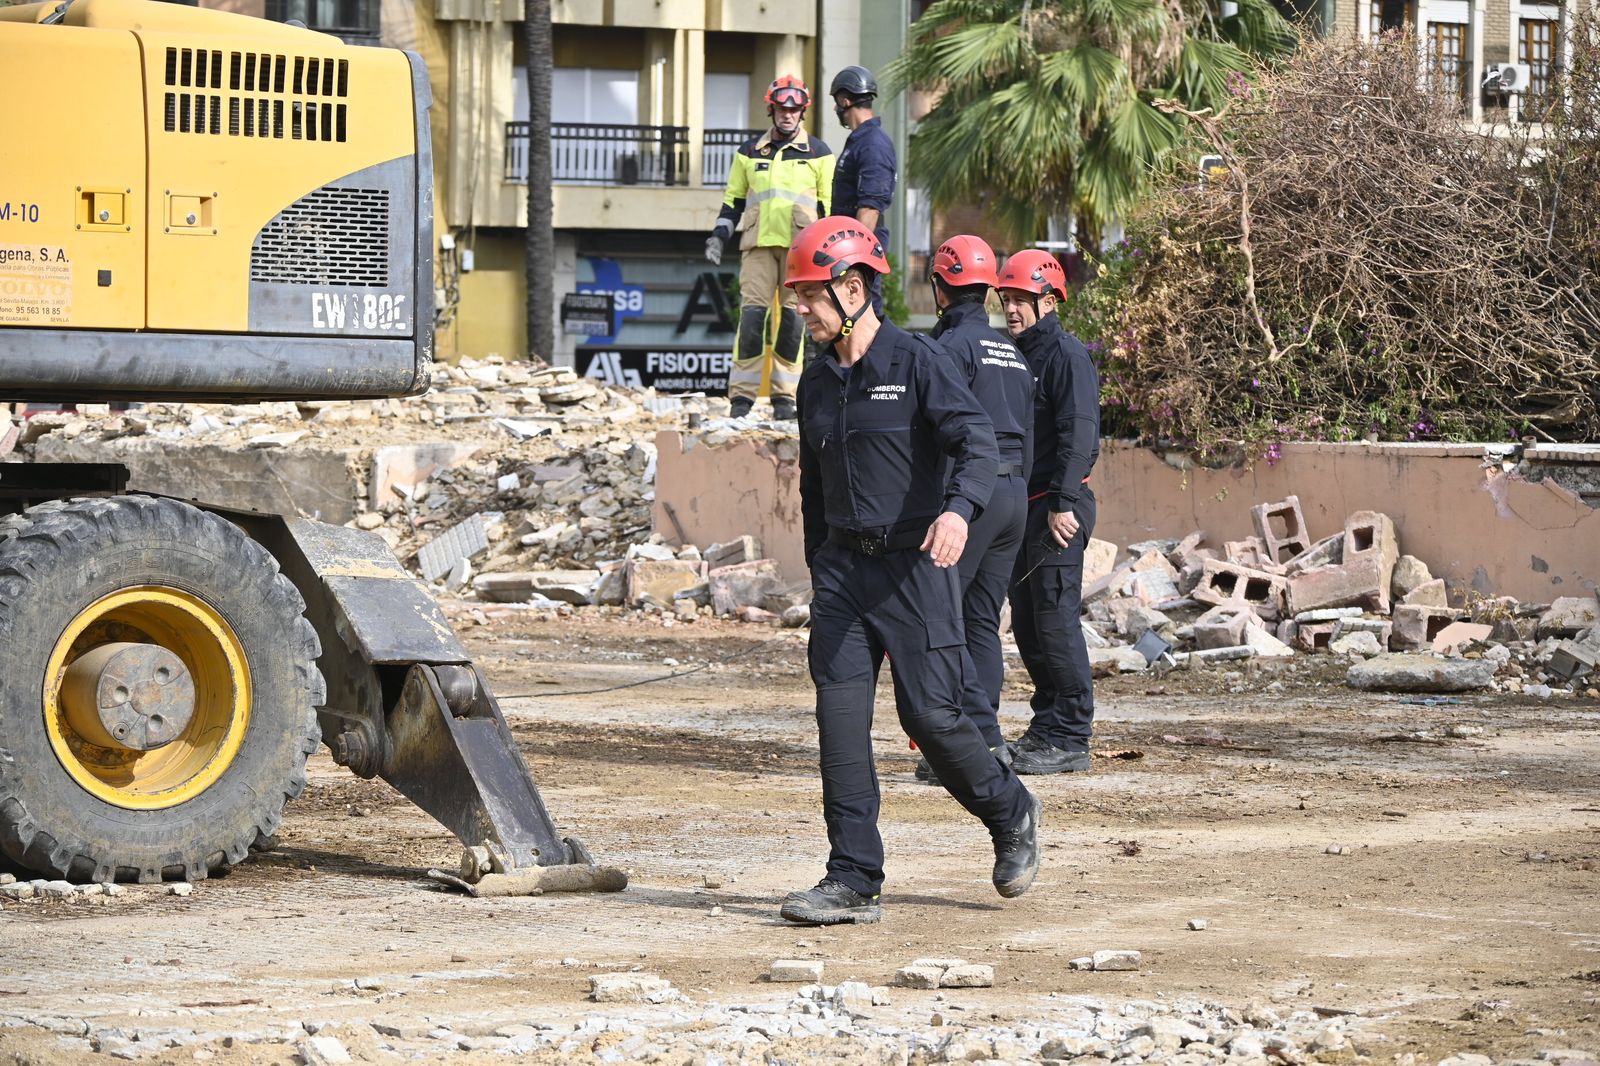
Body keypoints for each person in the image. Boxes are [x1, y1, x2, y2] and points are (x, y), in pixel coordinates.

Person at [780, 216, 1042, 926]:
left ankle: (1010, 809)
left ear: (853, 289)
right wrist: (819, 566)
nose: (800, 309)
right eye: (797, 296)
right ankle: (853, 876)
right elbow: (813, 487)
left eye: (809, 295)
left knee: (931, 716)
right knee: (839, 723)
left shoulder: (917, 361)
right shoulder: (816, 384)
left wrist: (958, 511)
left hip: (914, 568)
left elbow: (976, 443)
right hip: (844, 574)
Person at [914, 235, 1033, 787]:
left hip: (972, 497)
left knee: (942, 621)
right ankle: (987, 738)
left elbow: (938, 432)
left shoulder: (945, 348)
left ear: (939, 288)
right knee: (981, 620)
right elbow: (1027, 430)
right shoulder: (1011, 351)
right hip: (1013, 498)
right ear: (987, 292)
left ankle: (972, 744)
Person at [996, 250, 1102, 775]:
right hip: (1025, 509)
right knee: (1030, 625)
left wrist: (1063, 503)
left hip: (1058, 508)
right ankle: (1047, 725)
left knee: (1056, 622)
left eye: (1022, 299)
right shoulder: (1013, 356)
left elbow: (1079, 435)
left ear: (1050, 301)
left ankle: (1071, 735)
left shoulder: (1067, 356)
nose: (1011, 309)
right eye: (1006, 299)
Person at [706, 75, 835, 420]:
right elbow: (733, 201)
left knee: (793, 322)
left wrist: (830, 255)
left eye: (794, 110)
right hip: (758, 247)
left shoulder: (819, 153)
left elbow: (828, 207)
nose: (787, 115)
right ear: (771, 110)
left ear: (803, 112)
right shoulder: (749, 152)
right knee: (751, 319)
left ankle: (784, 398)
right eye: (781, 109)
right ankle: (741, 397)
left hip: (801, 253)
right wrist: (718, 236)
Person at [827, 65, 895, 319]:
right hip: (850, 243)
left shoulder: (872, 143)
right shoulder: (861, 140)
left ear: (845, 100)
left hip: (861, 246)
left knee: (865, 312)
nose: (836, 109)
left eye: (837, 102)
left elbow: (870, 207)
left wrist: (854, 256)